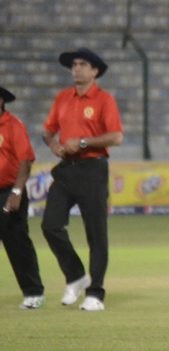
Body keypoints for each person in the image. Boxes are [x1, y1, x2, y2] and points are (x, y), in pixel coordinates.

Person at [41, 48, 123, 311]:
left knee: (96, 234)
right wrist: (53, 143)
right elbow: (47, 130)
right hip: (66, 169)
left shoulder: (104, 100)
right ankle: (77, 276)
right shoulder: (62, 98)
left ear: (94, 71)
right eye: (74, 64)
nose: (76, 68)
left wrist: (84, 142)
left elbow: (116, 136)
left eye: (82, 64)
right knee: (50, 225)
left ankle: (95, 293)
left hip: (93, 169)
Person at [0, 84, 45, 310]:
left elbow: (25, 160)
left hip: (8, 190)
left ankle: (33, 292)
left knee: (16, 240)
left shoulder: (13, 125)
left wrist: (17, 192)